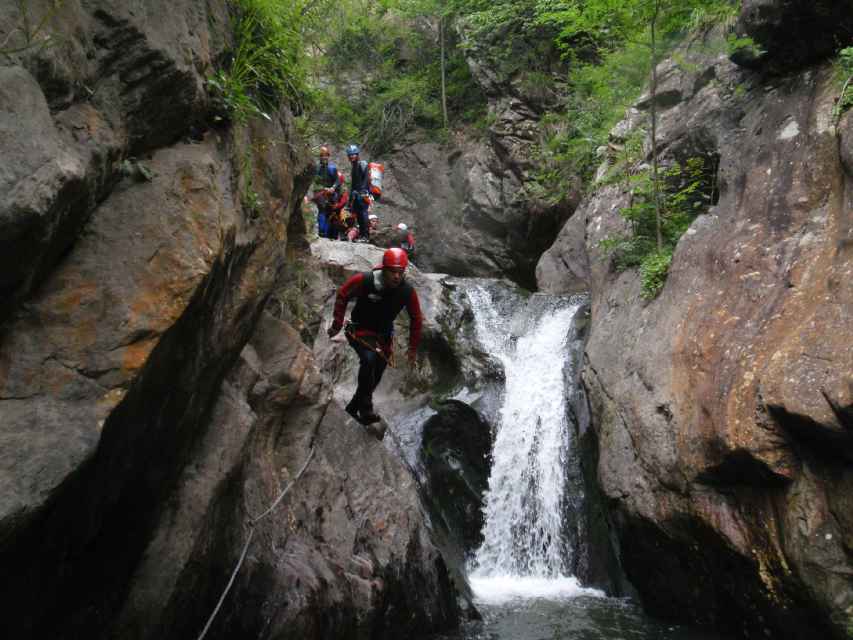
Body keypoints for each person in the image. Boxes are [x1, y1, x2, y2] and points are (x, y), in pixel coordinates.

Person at [327, 248, 422, 426]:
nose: (396, 276)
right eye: (392, 272)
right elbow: (343, 294)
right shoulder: (366, 280)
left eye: (400, 272)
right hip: (359, 331)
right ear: (384, 269)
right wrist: (337, 324)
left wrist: (412, 349)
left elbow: (416, 319)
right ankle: (366, 408)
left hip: (383, 336)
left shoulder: (407, 292)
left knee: (376, 374)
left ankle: (353, 409)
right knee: (369, 359)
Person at [345, 143, 373, 241]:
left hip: (363, 194)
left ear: (357, 155)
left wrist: (363, 191)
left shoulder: (363, 164)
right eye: (350, 155)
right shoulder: (354, 167)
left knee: (363, 214)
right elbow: (353, 184)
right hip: (356, 195)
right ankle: (362, 235)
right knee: (359, 215)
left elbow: (366, 179)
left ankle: (366, 236)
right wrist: (350, 200)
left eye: (354, 154)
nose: (352, 156)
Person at [313, 145, 342, 238]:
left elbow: (337, 181)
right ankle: (322, 232)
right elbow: (315, 182)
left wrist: (333, 188)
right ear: (320, 157)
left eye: (325, 155)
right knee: (322, 211)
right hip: (321, 193)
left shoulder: (332, 168)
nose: (324, 157)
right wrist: (323, 188)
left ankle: (325, 233)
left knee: (328, 213)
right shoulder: (317, 169)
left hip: (330, 193)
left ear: (328, 156)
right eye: (322, 155)